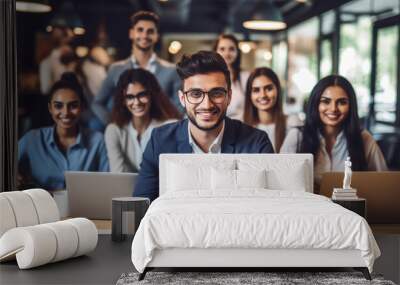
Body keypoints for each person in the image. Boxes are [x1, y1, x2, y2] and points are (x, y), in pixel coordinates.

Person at [133, 51, 274, 201]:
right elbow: (142, 206)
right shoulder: (160, 141)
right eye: (195, 94)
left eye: (217, 93)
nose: (206, 105)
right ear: (182, 98)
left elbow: (270, 209)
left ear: (229, 97)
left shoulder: (257, 143)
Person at [280, 75, 387, 191]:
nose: (333, 109)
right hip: (306, 208)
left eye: (341, 102)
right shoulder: (296, 136)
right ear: (316, 104)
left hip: (350, 208)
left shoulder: (363, 138)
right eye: (326, 101)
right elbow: (280, 182)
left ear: (351, 106)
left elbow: (384, 182)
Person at [18, 73, 109, 191]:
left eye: (73, 106)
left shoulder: (98, 141)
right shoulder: (32, 139)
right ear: (50, 108)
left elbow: (107, 183)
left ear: (82, 107)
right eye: (58, 106)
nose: (65, 112)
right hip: (41, 206)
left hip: (85, 208)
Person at [92, 10, 181, 129]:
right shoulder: (116, 69)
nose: (144, 35)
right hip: (126, 136)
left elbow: (179, 108)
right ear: (131, 33)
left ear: (156, 36)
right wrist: (115, 124)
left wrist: (166, 130)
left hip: (159, 135)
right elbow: (98, 103)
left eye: (150, 31)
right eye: (140, 30)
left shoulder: (171, 70)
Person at [105, 68, 182, 173]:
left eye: (142, 95)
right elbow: (117, 174)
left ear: (152, 95)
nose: (136, 102)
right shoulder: (114, 131)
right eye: (130, 97)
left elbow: (171, 173)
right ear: (123, 100)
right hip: (124, 189)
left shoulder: (169, 127)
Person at [243, 67, 302, 152]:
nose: (263, 95)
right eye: (256, 90)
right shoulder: (241, 126)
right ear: (249, 95)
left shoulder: (292, 123)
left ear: (277, 90)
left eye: (269, 88)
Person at [213, 34, 249, 120]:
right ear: (215, 51)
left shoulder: (246, 77)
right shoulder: (208, 78)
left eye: (231, 49)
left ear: (237, 52)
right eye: (222, 49)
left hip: (241, 126)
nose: (227, 53)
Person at [39, 25, 74, 94]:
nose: (71, 48)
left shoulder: (72, 63)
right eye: (69, 44)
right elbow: (45, 89)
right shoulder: (46, 63)